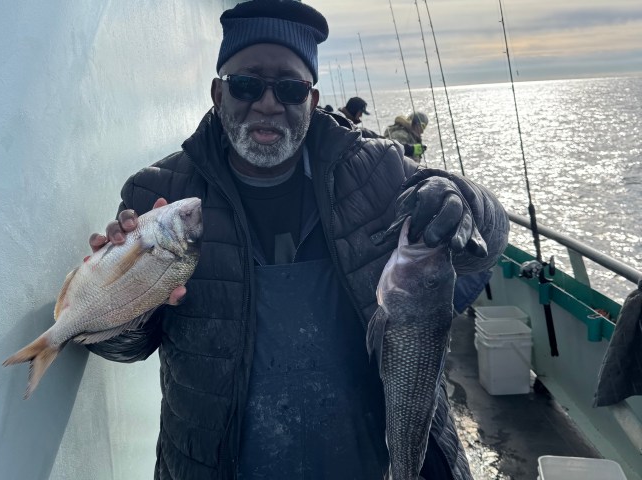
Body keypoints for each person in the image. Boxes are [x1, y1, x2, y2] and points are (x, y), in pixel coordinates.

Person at [86, 2, 509, 479]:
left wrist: (464, 200)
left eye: (289, 87)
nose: (268, 103)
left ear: (311, 99)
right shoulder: (156, 196)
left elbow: (489, 244)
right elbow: (124, 347)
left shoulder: (378, 169)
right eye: (247, 84)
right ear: (217, 93)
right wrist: (117, 298)